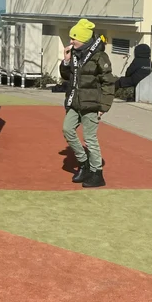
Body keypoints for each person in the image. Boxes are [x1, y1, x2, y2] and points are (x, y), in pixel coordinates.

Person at [59, 19, 116, 188]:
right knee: (67, 129)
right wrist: (66, 61)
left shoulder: (99, 56)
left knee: (90, 138)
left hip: (91, 104)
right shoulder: (75, 54)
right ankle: (84, 163)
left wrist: (103, 106)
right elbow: (67, 76)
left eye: (74, 38)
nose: (71, 41)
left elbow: (108, 83)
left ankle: (97, 173)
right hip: (75, 102)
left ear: (83, 39)